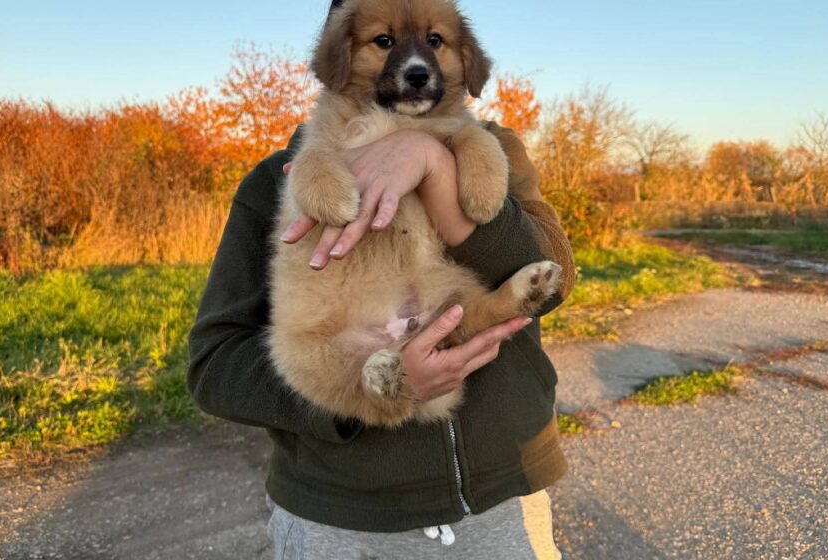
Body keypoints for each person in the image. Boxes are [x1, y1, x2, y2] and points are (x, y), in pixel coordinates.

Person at [188, 25, 575, 560]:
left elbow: (554, 278)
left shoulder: (497, 149)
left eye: (434, 40)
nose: (415, 59)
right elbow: (215, 367)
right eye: (385, 41)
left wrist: (434, 164)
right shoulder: (276, 179)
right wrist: (354, 395)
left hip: (505, 497)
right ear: (338, 57)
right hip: (343, 520)